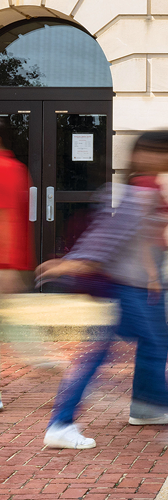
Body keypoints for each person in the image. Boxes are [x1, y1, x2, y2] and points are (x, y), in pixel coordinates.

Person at [38, 132, 168, 449]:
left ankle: (69, 421)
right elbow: (106, 239)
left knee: (113, 352)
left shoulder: (146, 190)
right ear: (146, 154)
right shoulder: (137, 192)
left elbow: (142, 238)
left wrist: (153, 276)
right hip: (130, 289)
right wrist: (68, 265)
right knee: (153, 351)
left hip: (137, 286)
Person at [0, 116, 34, 411]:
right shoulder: (16, 168)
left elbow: (6, 216)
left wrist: (8, 266)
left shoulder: (5, 169)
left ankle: (43, 358)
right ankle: (42, 356)